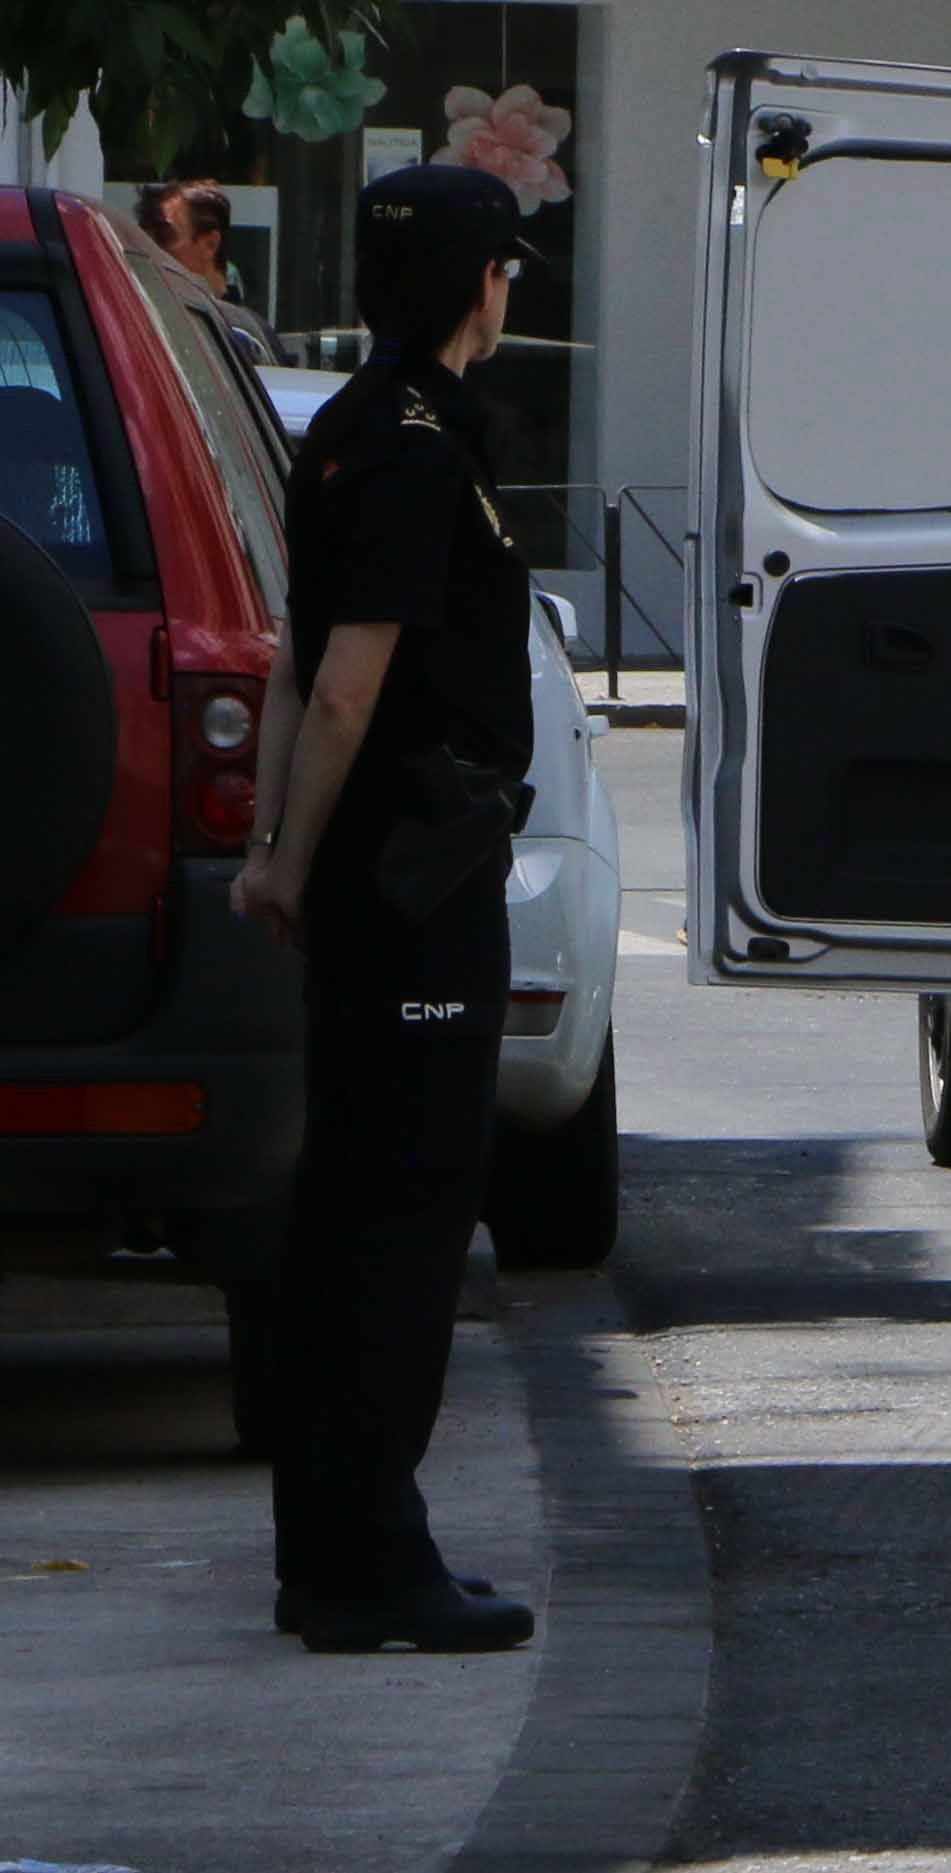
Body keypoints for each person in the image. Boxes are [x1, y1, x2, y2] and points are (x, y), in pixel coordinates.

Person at [230, 165, 545, 1654]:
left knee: (347, 1203)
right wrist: (290, 858)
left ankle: (331, 1554)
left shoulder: (347, 430)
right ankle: (373, 1554)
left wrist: (273, 847)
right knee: (405, 1217)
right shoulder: (424, 450)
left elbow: (292, 666)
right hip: (416, 877)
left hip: (371, 872)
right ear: (481, 282)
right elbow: (348, 679)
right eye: (509, 271)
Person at [136, 178, 284, 366]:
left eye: (164, 237)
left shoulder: (244, 337)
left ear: (210, 244)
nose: (150, 253)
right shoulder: (146, 327)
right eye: (142, 241)